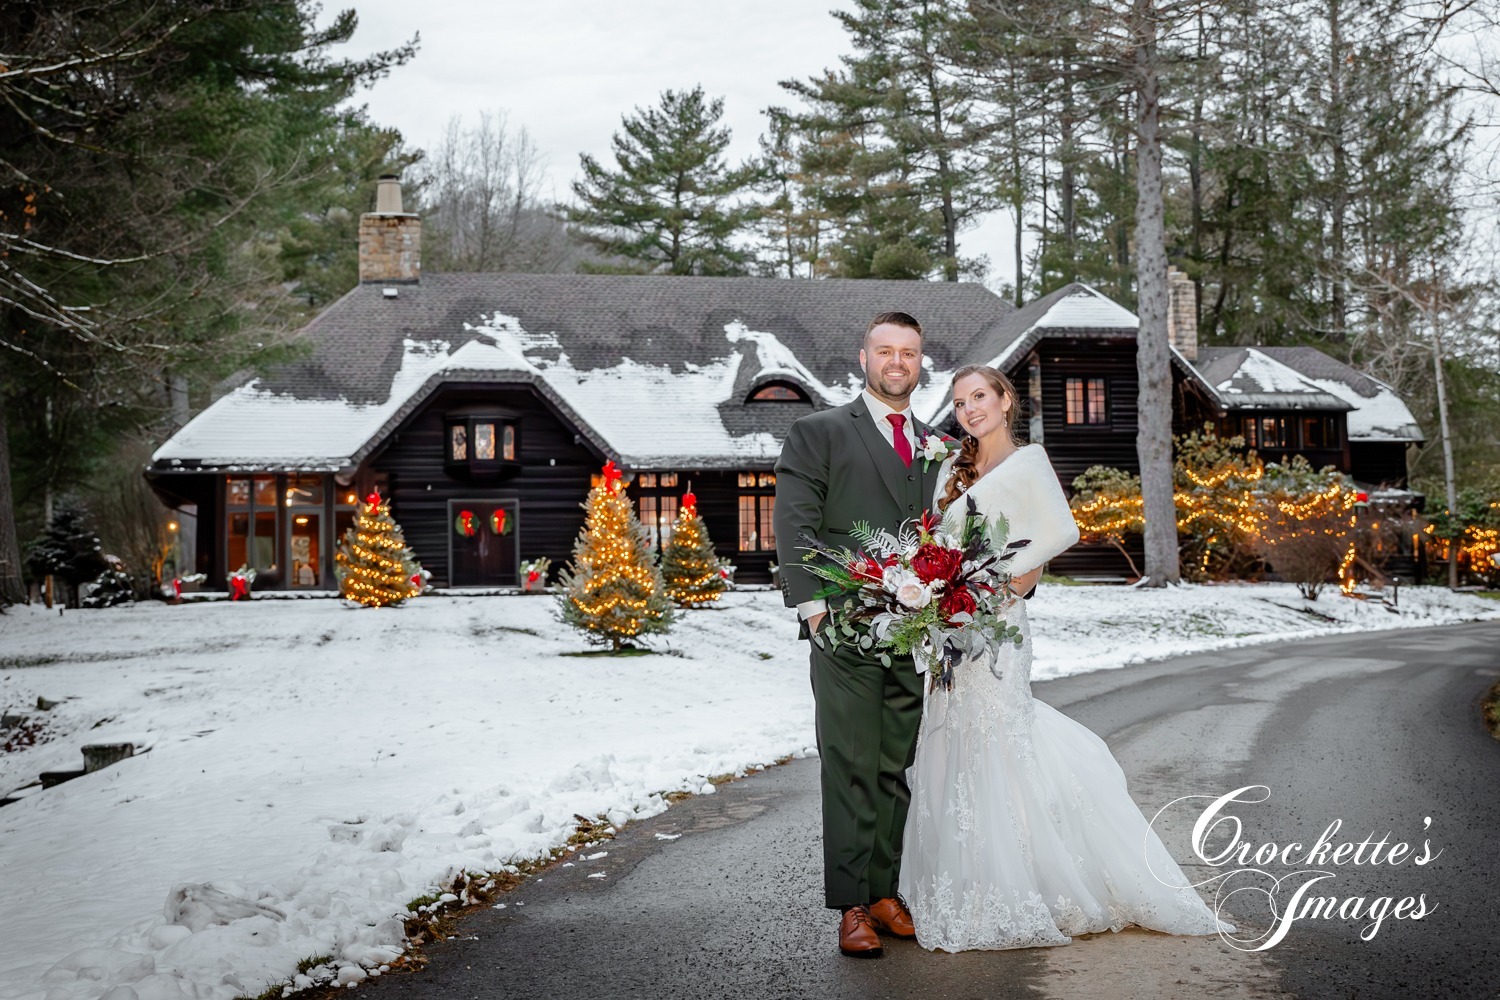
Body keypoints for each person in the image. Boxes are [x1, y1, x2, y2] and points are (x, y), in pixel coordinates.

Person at [899, 364, 1230, 951]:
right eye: (959, 402)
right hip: (948, 627)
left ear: (1006, 401)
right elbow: (937, 546)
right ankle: (969, 878)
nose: (970, 409)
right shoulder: (952, 468)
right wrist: (934, 598)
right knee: (951, 736)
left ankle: (1036, 879)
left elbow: (1056, 532)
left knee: (1001, 733)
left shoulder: (1030, 463)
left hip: (998, 620)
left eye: (980, 396)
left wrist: (998, 588)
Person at [773, 312, 945, 957]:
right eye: (885, 351)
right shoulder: (817, 432)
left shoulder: (934, 444)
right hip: (843, 626)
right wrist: (815, 611)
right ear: (864, 357)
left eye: (908, 352)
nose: (897, 361)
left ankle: (883, 890)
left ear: (920, 362)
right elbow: (796, 525)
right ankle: (850, 906)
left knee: (892, 766)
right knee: (849, 765)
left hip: (913, 629)